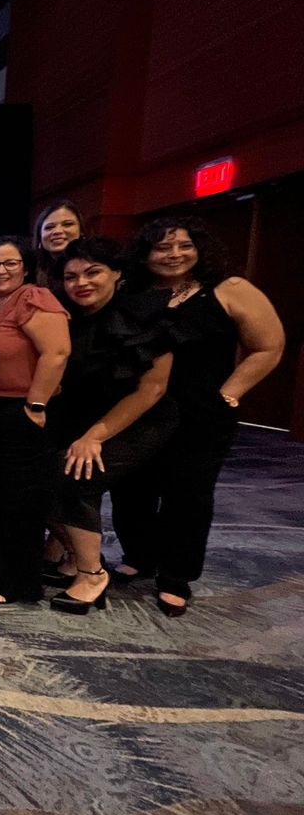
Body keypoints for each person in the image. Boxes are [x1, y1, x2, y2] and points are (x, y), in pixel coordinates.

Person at [110, 218, 284, 616]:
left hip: (201, 413)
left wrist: (231, 393)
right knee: (131, 489)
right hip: (138, 409)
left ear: (200, 249)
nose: (173, 255)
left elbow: (268, 347)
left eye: (183, 246)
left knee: (186, 494)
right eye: (162, 248)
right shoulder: (133, 291)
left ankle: (176, 576)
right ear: (145, 254)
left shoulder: (229, 289)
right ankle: (140, 555)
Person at [46, 238, 179, 615]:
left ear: (116, 273)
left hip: (143, 417)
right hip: (80, 416)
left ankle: (92, 574)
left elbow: (153, 389)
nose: (81, 282)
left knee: (76, 478)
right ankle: (73, 555)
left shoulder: (146, 314)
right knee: (32, 473)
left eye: (93, 272)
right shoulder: (66, 319)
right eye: (71, 276)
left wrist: (95, 436)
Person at [0, 237, 69, 604]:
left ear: (25, 266)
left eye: (9, 263)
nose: (1, 270)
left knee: (18, 498)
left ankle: (19, 581)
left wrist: (35, 405)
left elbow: (56, 352)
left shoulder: (33, 298)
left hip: (22, 409)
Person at [33, 200, 84, 289]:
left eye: (67, 224)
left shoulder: (98, 265)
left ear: (81, 232)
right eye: (49, 227)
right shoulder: (28, 274)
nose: (57, 231)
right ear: (39, 236)